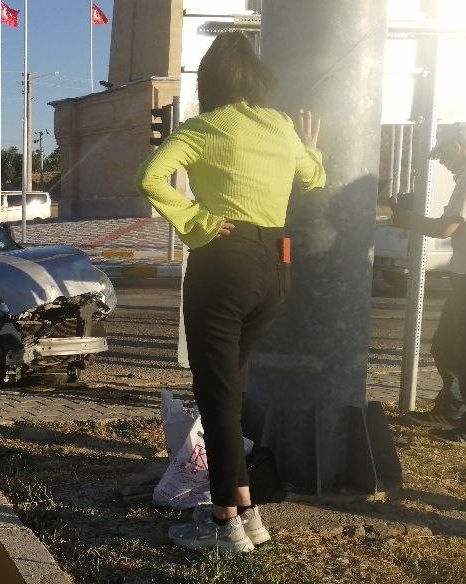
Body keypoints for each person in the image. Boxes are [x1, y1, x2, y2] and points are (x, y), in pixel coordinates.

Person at [136, 31, 325, 553]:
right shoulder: (281, 125)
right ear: (258, 79)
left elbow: (150, 178)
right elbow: (312, 176)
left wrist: (197, 220)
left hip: (225, 262)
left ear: (209, 81)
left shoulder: (203, 128)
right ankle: (248, 510)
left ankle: (223, 522)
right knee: (232, 389)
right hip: (276, 269)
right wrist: (310, 149)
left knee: (217, 395)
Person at [390, 123, 466, 443]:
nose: (441, 160)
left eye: (443, 152)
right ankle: (453, 407)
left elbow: (447, 228)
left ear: (459, 146)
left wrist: (406, 221)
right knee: (447, 345)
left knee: (465, 351)